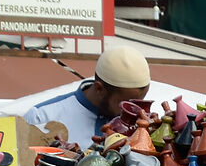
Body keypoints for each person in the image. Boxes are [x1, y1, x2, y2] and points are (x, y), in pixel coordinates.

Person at [21, 45, 153, 147]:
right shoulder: (42, 117)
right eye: (126, 104)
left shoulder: (142, 125)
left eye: (141, 102)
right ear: (99, 89)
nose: (137, 111)